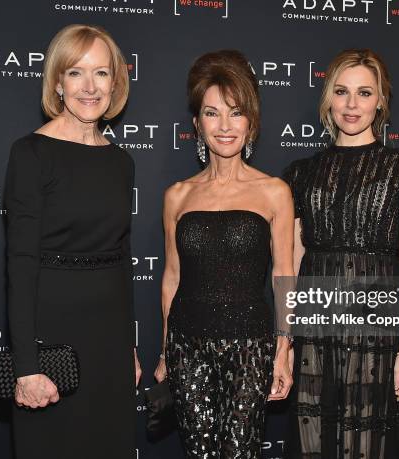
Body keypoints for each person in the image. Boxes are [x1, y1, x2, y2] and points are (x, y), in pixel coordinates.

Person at [283, 49, 399, 459]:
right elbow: (293, 263)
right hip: (315, 328)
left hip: (375, 330)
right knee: (312, 438)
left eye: (364, 93)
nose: (352, 105)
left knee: (369, 444)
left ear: (381, 101)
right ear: (328, 99)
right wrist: (287, 340)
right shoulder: (300, 173)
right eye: (342, 92)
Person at [5, 24, 141, 459]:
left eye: (101, 73)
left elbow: (122, 259)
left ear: (115, 83)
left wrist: (129, 349)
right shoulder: (31, 153)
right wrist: (26, 367)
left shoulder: (121, 162)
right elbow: (21, 263)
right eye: (76, 73)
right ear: (58, 82)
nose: (89, 86)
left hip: (109, 344)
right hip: (52, 339)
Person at [153, 49, 294, 458]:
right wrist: (165, 350)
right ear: (197, 123)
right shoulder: (177, 196)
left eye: (236, 112)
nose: (225, 126)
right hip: (187, 344)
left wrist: (283, 351)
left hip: (250, 347)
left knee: (240, 452)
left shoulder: (273, 192)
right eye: (212, 114)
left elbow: (284, 276)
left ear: (251, 122)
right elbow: (172, 277)